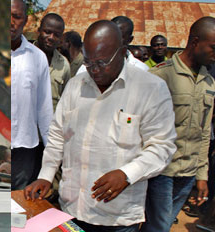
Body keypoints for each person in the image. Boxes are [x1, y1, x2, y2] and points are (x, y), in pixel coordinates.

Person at [24, 20, 177, 231]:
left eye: (102, 63)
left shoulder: (151, 89)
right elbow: (59, 135)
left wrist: (126, 174)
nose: (94, 70)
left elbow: (162, 147)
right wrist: (46, 175)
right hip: (72, 207)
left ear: (123, 51)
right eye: (88, 62)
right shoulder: (75, 86)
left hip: (117, 216)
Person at [140, 16, 215, 232]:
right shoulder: (160, 75)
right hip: (162, 170)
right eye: (213, 47)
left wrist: (201, 175)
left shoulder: (209, 82)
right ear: (195, 42)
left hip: (189, 173)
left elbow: (204, 132)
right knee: (160, 226)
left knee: (159, 226)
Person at [11, 0, 53, 190]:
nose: (10, 22)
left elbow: (44, 109)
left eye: (16, 17)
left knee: (19, 209)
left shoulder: (37, 57)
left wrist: (51, 153)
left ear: (25, 20)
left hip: (24, 147)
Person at [76, 16, 148, 75]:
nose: (113, 40)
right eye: (110, 35)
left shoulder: (142, 70)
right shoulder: (86, 68)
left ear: (130, 39)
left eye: (119, 36)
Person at [34, 13, 71, 111]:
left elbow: (65, 101)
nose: (51, 37)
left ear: (61, 38)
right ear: (38, 31)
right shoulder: (22, 57)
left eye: (56, 35)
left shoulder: (64, 65)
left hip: (49, 124)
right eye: (47, 32)